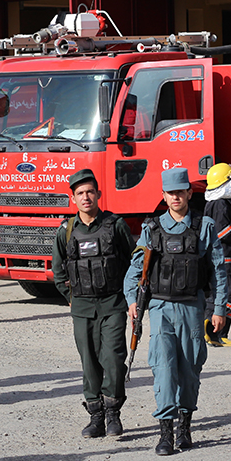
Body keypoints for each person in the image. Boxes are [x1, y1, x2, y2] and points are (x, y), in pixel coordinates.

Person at [124, 167, 227, 456]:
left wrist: (219, 309)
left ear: (189, 193)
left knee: (190, 368)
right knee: (164, 368)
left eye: (181, 191)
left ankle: (185, 425)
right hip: (159, 307)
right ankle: (166, 432)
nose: (176, 197)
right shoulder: (151, 229)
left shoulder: (204, 227)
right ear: (164, 196)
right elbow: (134, 271)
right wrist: (132, 300)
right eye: (171, 193)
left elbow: (219, 271)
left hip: (192, 307)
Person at [52, 169, 134, 438]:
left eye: (89, 192)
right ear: (73, 198)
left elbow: (133, 261)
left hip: (113, 304)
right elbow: (59, 270)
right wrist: (71, 298)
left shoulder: (115, 224)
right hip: (82, 307)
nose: (85, 197)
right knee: (89, 362)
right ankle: (96, 415)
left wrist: (130, 296)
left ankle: (113, 413)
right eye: (79, 193)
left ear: (98, 194)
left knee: (112, 359)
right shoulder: (66, 231)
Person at [202, 163, 231, 348]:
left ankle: (212, 331)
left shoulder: (214, 203)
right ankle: (216, 331)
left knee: (219, 293)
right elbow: (223, 232)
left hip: (219, 257)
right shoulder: (221, 204)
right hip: (225, 257)